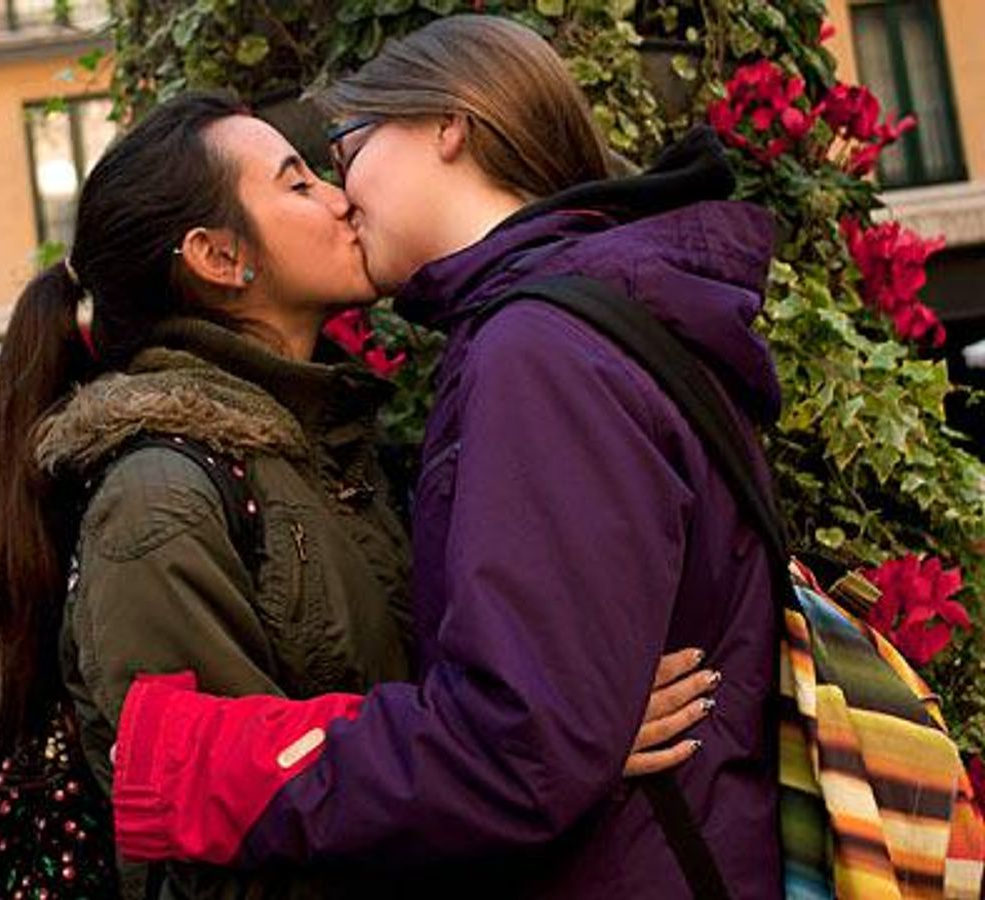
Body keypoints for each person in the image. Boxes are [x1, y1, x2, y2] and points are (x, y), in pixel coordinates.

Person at [0, 90, 719, 900]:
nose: (343, 198)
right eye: (299, 184)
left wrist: (548, 729)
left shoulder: (334, 450)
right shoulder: (161, 500)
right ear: (220, 258)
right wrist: (550, 754)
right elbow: (210, 847)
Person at [110, 15, 782, 898]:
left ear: (447, 125)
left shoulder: (537, 348)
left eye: (345, 150)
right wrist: (578, 722)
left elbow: (522, 748)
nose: (344, 196)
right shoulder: (582, 314)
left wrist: (206, 765)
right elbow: (549, 722)